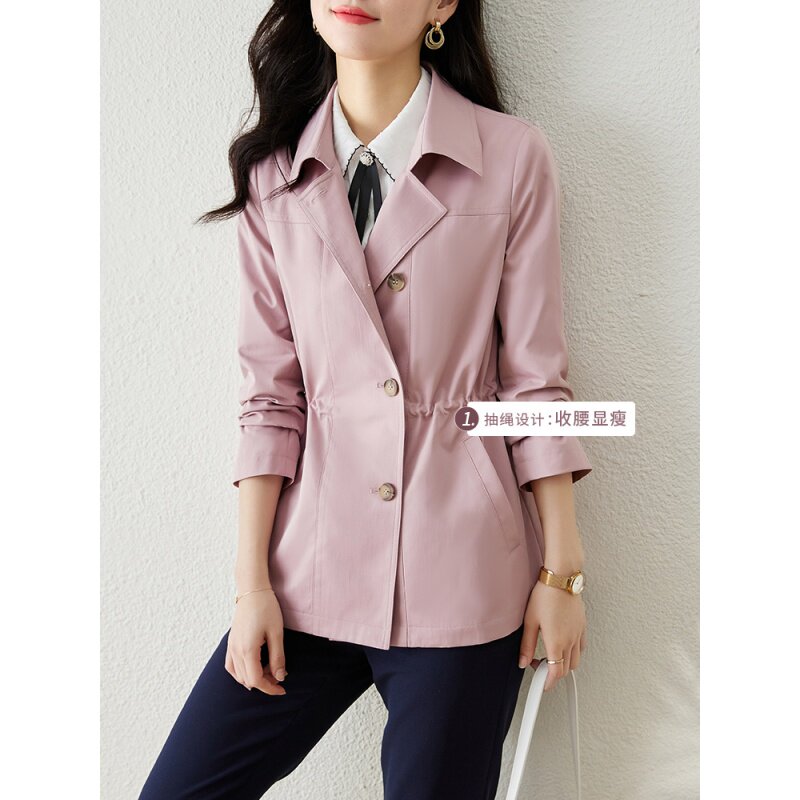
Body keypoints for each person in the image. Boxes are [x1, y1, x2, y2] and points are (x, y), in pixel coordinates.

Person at [138, 1, 593, 798]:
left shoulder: (511, 156)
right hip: (308, 571)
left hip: (462, 577)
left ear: (442, 5)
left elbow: (533, 382)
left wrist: (563, 574)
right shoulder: (274, 173)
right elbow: (270, 398)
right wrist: (251, 585)